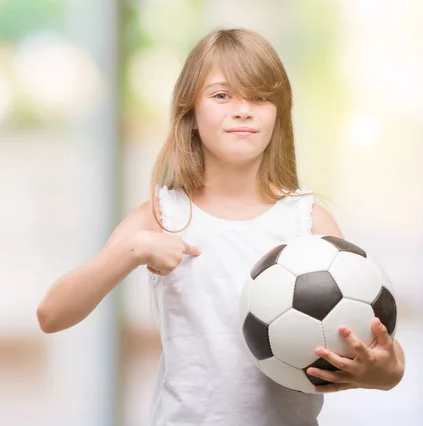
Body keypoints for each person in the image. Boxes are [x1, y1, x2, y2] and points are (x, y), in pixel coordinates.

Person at [36, 28, 405, 426]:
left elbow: (386, 360)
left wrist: (380, 371)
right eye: (221, 95)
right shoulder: (163, 217)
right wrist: (135, 250)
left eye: (261, 97)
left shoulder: (310, 222)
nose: (243, 110)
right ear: (190, 113)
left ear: (278, 113)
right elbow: (52, 315)